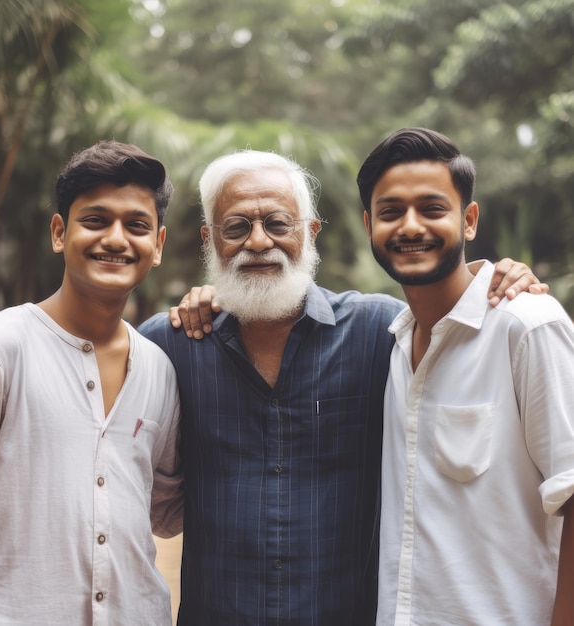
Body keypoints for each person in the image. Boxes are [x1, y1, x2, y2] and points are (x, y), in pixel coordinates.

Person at [139, 149, 544, 625]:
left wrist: (494, 275)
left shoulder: (384, 331)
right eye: (235, 227)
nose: (257, 241)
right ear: (211, 241)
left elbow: (454, 313)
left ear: (310, 233)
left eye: (278, 223)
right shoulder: (169, 346)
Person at [0, 140, 183, 625]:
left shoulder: (160, 368)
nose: (116, 239)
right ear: (60, 233)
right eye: (95, 220)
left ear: (157, 246)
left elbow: (165, 512)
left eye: (137, 225)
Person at [357, 127, 574, 625]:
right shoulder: (391, 344)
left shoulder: (527, 325)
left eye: (432, 209)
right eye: (391, 212)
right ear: (370, 224)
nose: (410, 227)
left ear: (468, 219)